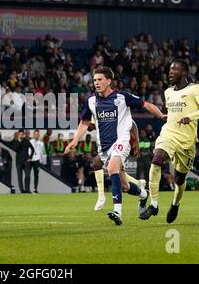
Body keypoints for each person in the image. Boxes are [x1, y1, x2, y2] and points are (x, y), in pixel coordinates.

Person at [65, 66, 165, 225]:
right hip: (104, 147)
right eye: (95, 80)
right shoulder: (91, 101)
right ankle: (143, 194)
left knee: (112, 169)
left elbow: (146, 105)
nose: (96, 83)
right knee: (125, 186)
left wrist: (161, 115)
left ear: (109, 81)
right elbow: (84, 121)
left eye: (100, 80)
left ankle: (117, 211)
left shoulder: (122, 97)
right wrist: (76, 139)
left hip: (121, 142)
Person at [140, 59, 199, 223]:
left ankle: (175, 204)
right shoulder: (168, 92)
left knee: (180, 179)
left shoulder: (195, 89)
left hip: (187, 141)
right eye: (169, 70)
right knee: (156, 159)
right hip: (169, 134)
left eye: (175, 70)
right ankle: (154, 204)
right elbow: (173, 112)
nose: (170, 72)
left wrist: (191, 117)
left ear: (185, 72)